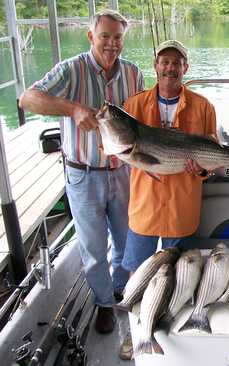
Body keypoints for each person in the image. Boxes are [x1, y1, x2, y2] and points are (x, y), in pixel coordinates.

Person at [19, 10, 144, 334]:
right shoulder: (71, 69)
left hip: (122, 171)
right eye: (105, 37)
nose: (111, 44)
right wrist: (71, 108)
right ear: (91, 37)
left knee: (125, 239)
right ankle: (104, 303)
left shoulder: (133, 74)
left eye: (118, 38)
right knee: (92, 245)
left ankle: (119, 289)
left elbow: (140, 125)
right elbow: (27, 98)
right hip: (82, 174)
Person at [121, 39, 216, 272]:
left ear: (186, 68)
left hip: (181, 208)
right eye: (165, 62)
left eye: (177, 62)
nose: (170, 68)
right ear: (155, 65)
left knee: (181, 274)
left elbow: (212, 154)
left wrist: (202, 170)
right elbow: (114, 145)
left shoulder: (204, 106)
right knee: (137, 272)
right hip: (145, 207)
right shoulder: (133, 105)